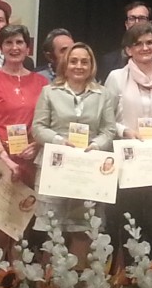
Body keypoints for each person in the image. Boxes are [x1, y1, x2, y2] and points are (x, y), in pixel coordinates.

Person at [102, 22, 152, 260]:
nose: (145, 48)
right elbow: (105, 120)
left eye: (150, 43)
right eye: (139, 43)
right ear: (128, 50)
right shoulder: (116, 78)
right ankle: (129, 286)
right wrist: (127, 132)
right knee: (129, 224)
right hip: (128, 162)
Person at [32, 43, 115, 263]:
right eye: (74, 61)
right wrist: (60, 141)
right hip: (56, 166)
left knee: (83, 229)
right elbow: (38, 128)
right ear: (65, 64)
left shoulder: (103, 94)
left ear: (92, 65)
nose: (79, 66)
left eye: (84, 61)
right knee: (52, 231)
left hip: (88, 167)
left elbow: (110, 129)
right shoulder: (49, 92)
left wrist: (96, 145)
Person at [0, 24, 48, 255]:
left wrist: (37, 144)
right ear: (1, 47)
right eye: (8, 43)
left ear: (28, 48)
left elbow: (48, 122)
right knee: (0, 226)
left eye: (19, 42)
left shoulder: (42, 83)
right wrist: (5, 158)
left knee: (22, 228)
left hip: (31, 161)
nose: (14, 47)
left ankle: (20, 286)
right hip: (1, 161)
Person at [98, 2, 152, 82]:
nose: (137, 22)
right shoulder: (109, 61)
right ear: (126, 24)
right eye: (132, 18)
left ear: (150, 24)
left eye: (142, 18)